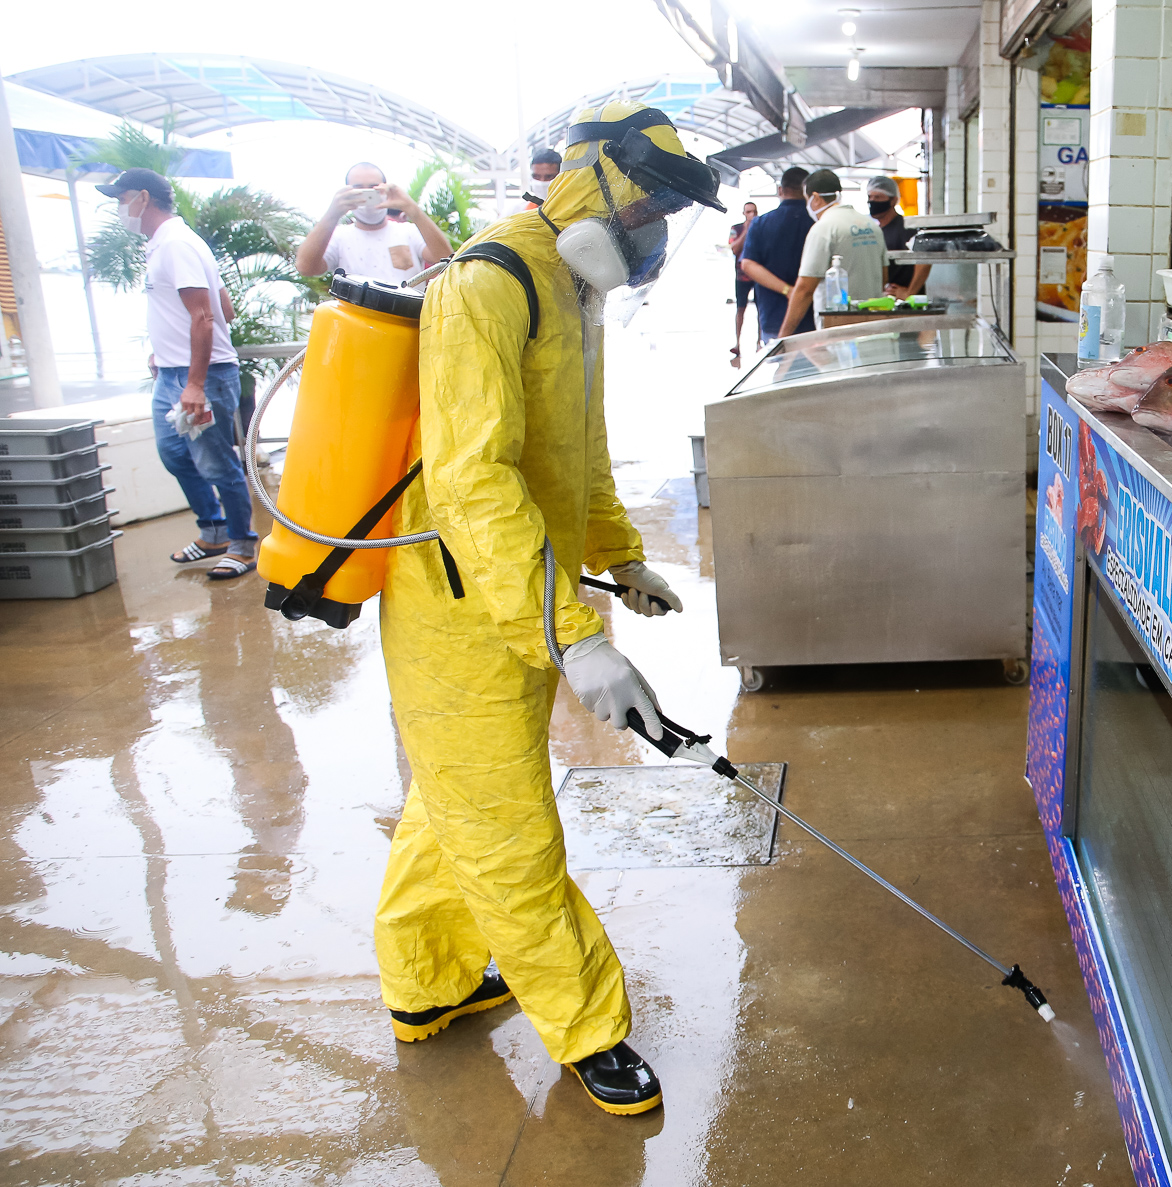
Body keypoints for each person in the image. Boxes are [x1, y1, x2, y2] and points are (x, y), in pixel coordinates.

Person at [371, 99, 723, 1117]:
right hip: (461, 606)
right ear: (582, 176)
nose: (654, 223)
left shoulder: (573, 287)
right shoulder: (489, 281)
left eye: (666, 207)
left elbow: (580, 444)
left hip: (531, 587)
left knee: (453, 802)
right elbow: (475, 482)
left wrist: (616, 556)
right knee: (508, 826)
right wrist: (573, 635)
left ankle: (427, 982)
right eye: (647, 198)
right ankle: (587, 1025)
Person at [99, 168, 258, 581]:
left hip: (199, 375)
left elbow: (205, 317)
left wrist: (195, 382)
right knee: (174, 454)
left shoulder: (177, 244)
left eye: (121, 198)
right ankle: (214, 531)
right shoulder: (164, 245)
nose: (119, 208)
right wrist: (166, 350)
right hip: (171, 371)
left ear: (143, 198)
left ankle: (242, 545)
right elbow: (225, 308)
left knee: (218, 464)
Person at [295, 162, 452, 286]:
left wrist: (412, 209)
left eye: (373, 187)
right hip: (357, 322)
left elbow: (446, 260)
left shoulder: (408, 231)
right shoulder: (339, 236)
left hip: (405, 320)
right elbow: (306, 267)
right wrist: (332, 213)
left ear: (385, 188)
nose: (367, 194)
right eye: (358, 189)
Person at [777, 169, 886, 339]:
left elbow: (805, 289)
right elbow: (883, 276)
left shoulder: (823, 229)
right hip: (873, 326)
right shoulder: (871, 225)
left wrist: (782, 339)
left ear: (816, 198)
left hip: (837, 330)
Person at [737, 166, 814, 343]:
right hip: (812, 316)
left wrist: (788, 291)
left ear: (780, 190)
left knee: (778, 365)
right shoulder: (817, 223)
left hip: (773, 314)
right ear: (808, 191)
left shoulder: (760, 224)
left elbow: (748, 264)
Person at [865, 177, 929, 299]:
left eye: (878, 197)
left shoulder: (905, 228)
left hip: (906, 304)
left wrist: (910, 293)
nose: (872, 201)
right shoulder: (877, 231)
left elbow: (924, 260)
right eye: (870, 197)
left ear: (893, 200)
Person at [727, 201, 757, 357]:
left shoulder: (760, 227)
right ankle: (737, 343)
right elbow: (734, 249)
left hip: (758, 274)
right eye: (748, 212)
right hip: (741, 274)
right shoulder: (736, 229)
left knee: (761, 308)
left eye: (753, 212)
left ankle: (759, 342)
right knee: (740, 308)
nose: (751, 215)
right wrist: (746, 230)